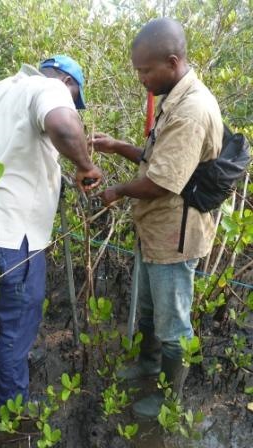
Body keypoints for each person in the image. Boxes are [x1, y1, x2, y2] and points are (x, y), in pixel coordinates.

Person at [91, 18, 223, 418]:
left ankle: (170, 399)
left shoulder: (192, 110)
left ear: (171, 61)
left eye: (145, 71)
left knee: (174, 324)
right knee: (150, 309)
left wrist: (115, 192)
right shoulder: (176, 98)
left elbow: (162, 183)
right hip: (158, 229)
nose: (142, 79)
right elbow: (157, 159)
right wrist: (118, 147)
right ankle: (148, 366)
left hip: (175, 235)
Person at [0, 55, 102, 410]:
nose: (73, 104)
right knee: (15, 328)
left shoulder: (1, 88)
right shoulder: (51, 87)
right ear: (69, 84)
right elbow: (64, 125)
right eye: (75, 99)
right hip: (14, 239)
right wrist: (85, 166)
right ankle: (12, 412)